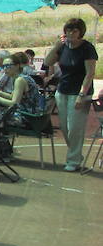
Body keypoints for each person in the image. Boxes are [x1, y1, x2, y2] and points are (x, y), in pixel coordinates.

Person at [44, 18, 97, 171]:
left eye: (74, 30)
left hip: (79, 92)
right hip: (62, 91)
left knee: (75, 127)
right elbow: (48, 62)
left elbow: (90, 73)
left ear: (80, 32)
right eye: (68, 30)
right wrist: (57, 46)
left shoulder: (87, 48)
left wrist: (82, 94)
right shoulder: (63, 47)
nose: (71, 33)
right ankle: (75, 155)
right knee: (64, 127)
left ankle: (73, 160)